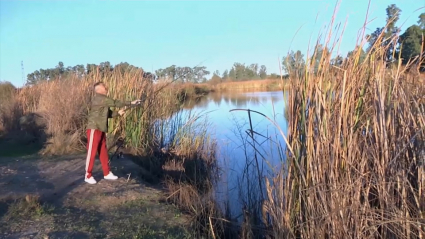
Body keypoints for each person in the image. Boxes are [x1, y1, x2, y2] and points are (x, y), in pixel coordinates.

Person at [84, 81, 141, 184]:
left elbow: (108, 114)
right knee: (91, 152)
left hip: (101, 129)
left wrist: (118, 113)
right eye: (104, 87)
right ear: (99, 89)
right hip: (94, 129)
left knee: (103, 151)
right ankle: (88, 175)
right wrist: (131, 103)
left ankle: (107, 173)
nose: (106, 88)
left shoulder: (102, 101)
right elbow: (115, 103)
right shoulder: (99, 98)